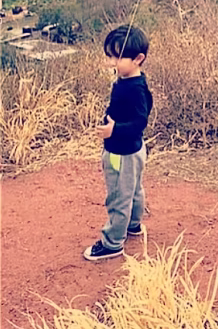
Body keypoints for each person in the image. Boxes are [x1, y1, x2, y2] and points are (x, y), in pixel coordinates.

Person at [83, 25, 154, 261]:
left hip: (121, 152)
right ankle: (133, 225)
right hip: (134, 149)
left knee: (119, 196)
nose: (111, 62)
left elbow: (140, 122)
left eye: (117, 56)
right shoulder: (134, 81)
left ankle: (113, 243)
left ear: (138, 58)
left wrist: (114, 130)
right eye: (109, 56)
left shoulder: (134, 89)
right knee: (133, 190)